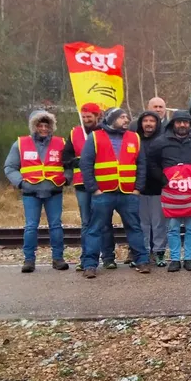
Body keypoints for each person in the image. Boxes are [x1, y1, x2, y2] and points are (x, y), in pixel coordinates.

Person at [79, 108, 150, 278]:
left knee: (134, 228)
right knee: (95, 229)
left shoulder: (134, 137)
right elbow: (85, 165)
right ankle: (90, 265)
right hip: (103, 193)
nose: (126, 120)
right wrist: (94, 189)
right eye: (122, 117)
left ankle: (142, 261)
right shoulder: (95, 137)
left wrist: (137, 188)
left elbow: (141, 165)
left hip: (128, 193)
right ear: (112, 119)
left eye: (127, 117)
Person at [4, 110, 70, 273]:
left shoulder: (61, 142)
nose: (43, 128)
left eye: (46, 125)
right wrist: (21, 183)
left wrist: (67, 179)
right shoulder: (20, 143)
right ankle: (29, 260)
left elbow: (69, 165)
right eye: (40, 125)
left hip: (54, 190)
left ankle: (58, 259)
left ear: (51, 126)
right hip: (30, 193)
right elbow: (10, 167)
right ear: (34, 126)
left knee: (56, 226)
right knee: (31, 227)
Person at [147, 110, 191, 272]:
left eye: (185, 122)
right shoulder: (160, 142)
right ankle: (175, 259)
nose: (182, 125)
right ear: (172, 124)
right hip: (171, 193)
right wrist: (162, 179)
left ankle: (189, 258)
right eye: (179, 122)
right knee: (172, 227)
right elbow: (151, 162)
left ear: (190, 124)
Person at [63, 103, 114, 270]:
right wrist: (73, 162)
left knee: (105, 221)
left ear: (97, 116)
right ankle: (86, 257)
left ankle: (108, 257)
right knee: (86, 222)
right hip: (81, 183)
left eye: (89, 117)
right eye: (83, 117)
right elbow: (66, 156)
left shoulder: (105, 132)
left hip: (102, 182)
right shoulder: (75, 133)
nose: (86, 120)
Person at [135, 110, 167, 266]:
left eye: (152, 121)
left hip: (159, 189)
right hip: (138, 189)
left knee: (159, 223)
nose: (148, 124)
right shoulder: (135, 140)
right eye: (145, 120)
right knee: (142, 224)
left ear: (157, 123)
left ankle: (159, 252)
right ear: (141, 123)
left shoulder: (163, 141)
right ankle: (144, 253)